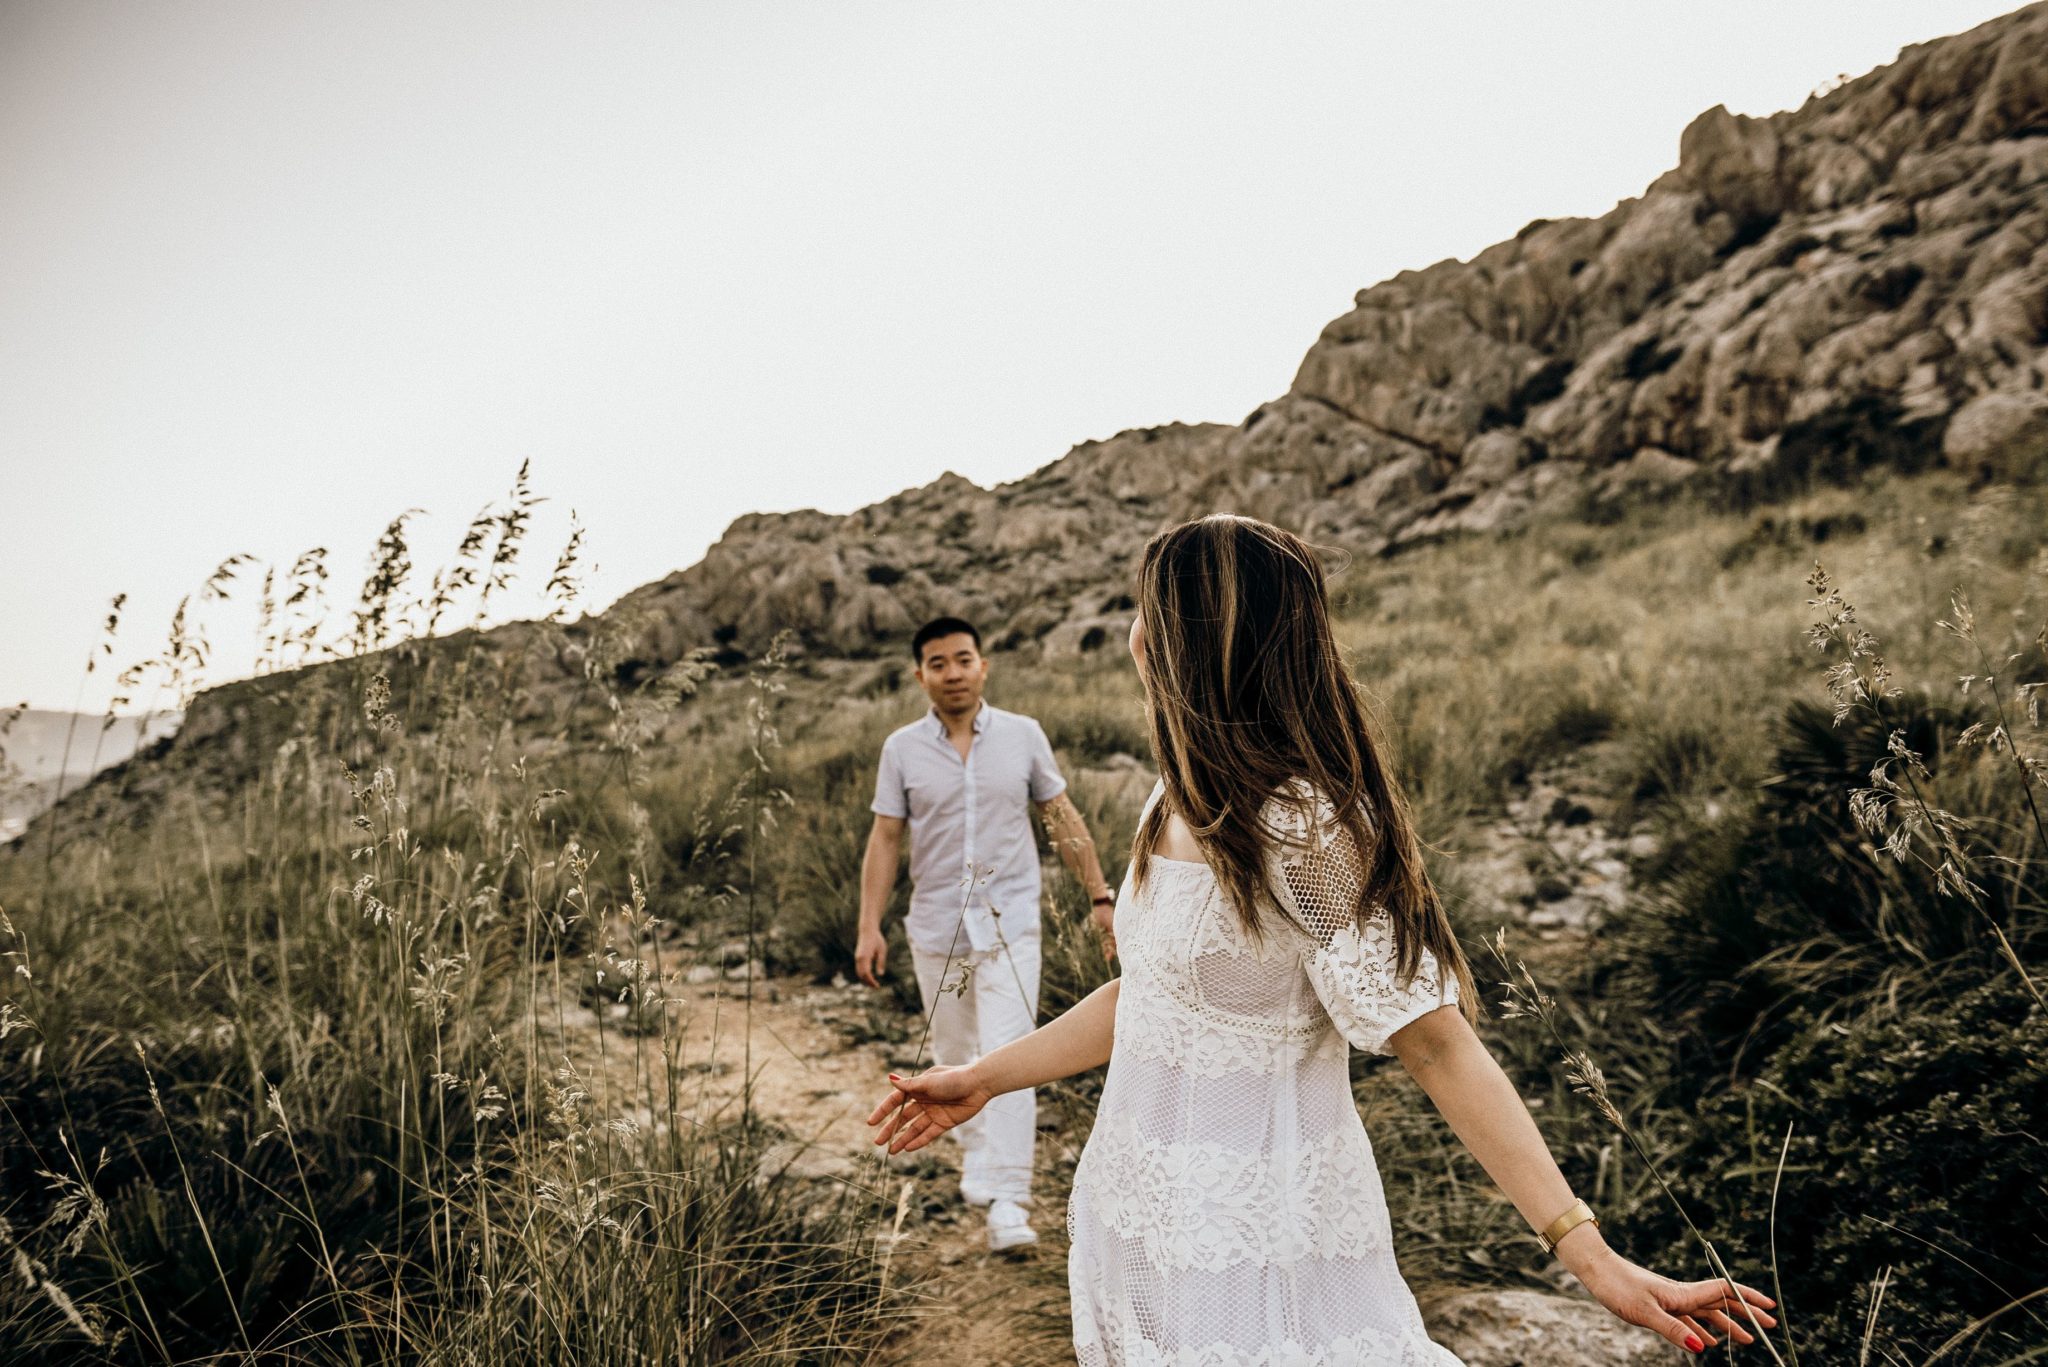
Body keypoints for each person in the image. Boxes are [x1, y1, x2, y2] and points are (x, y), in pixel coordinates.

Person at [867, 516, 1780, 1363]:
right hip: (1139, 1216)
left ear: (1196, 637)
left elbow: (1435, 1040)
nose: (1136, 632)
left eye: (1150, 609)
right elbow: (1155, 998)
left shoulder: (1300, 826)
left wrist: (1592, 1255)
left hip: (1268, 1245)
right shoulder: (1172, 797)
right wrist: (983, 1077)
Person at [857, 614, 1118, 1253]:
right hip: (936, 928)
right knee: (954, 1045)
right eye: (939, 663)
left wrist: (1100, 895)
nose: (953, 673)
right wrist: (869, 925)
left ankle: (1008, 1199)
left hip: (1012, 923)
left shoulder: (1024, 736)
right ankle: (979, 1158)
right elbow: (886, 837)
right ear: (921, 674)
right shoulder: (902, 749)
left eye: (964, 659)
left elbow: (1060, 815)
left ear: (983, 665)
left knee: (1006, 1049)